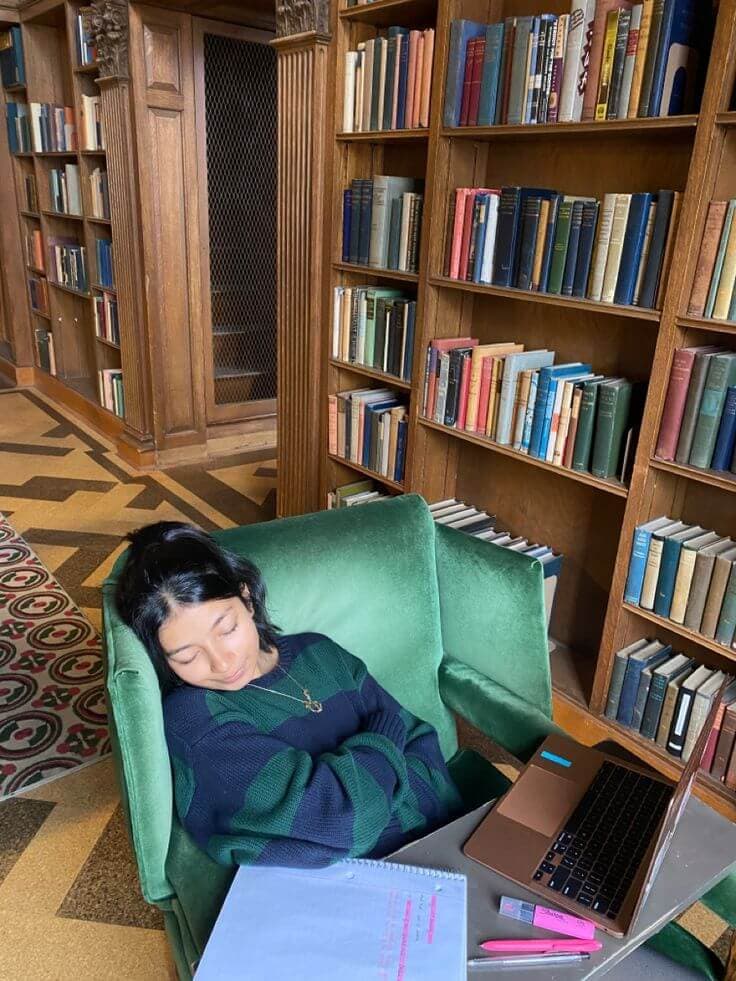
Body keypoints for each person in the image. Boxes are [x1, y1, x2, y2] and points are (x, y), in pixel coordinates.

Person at [115, 521, 464, 869]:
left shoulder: (319, 650)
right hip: (343, 888)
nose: (222, 663)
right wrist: (384, 735)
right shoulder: (194, 719)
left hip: (442, 841)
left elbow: (424, 745)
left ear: (247, 598)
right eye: (187, 656)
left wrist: (363, 807)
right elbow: (344, 819)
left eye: (227, 629)